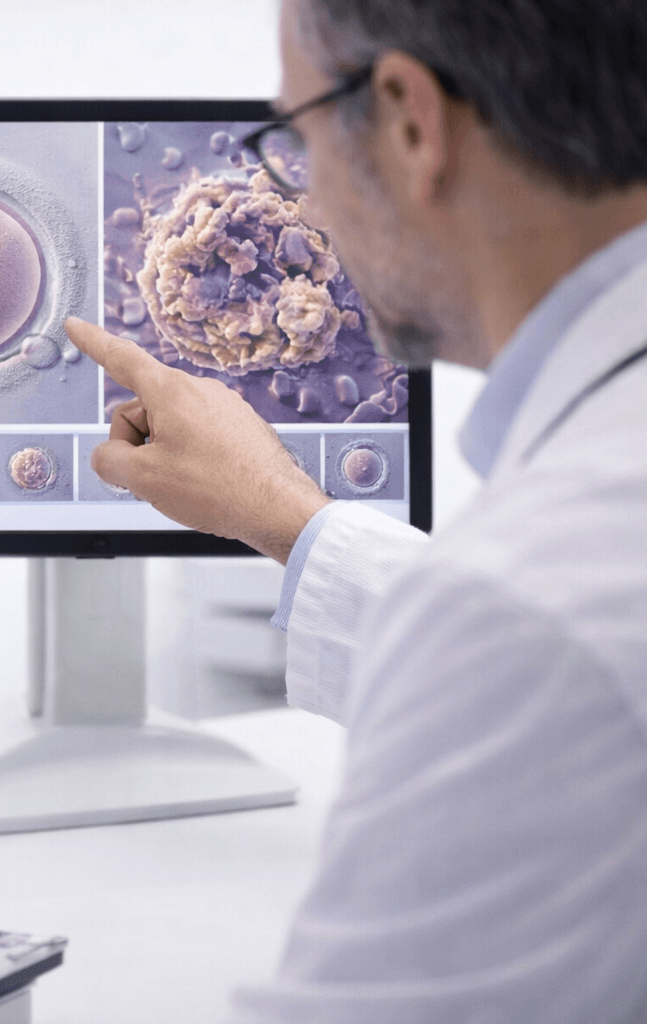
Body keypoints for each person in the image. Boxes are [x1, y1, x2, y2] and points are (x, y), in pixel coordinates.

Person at [67, 0, 647, 1019]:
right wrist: (289, 516)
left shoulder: (535, 604)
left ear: (412, 123)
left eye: (298, 140)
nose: (305, 198)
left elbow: (532, 650)